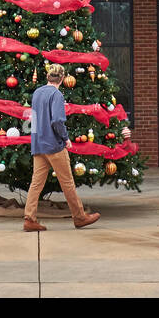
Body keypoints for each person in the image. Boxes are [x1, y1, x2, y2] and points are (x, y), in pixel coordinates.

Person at [23, 65, 101, 231]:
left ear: (48, 76)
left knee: (36, 183)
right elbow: (57, 121)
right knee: (67, 183)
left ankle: (29, 218)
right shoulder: (56, 95)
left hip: (38, 145)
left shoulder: (37, 93)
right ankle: (79, 217)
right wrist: (66, 139)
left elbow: (33, 119)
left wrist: (35, 140)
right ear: (63, 78)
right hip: (54, 146)